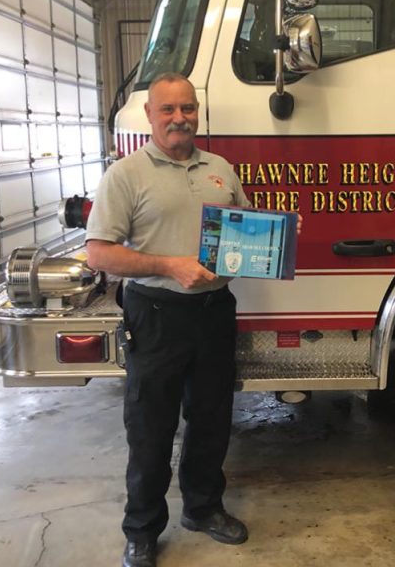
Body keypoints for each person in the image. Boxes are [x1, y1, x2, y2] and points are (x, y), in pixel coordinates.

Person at [87, 73, 254, 567]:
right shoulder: (126, 175)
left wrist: (277, 234)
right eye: (168, 110)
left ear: (197, 111)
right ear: (150, 116)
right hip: (156, 314)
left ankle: (202, 509)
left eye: (188, 108)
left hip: (214, 312)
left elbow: (242, 228)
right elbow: (99, 254)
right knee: (151, 426)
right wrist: (167, 264)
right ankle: (141, 529)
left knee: (211, 420)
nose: (179, 118)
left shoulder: (220, 168)